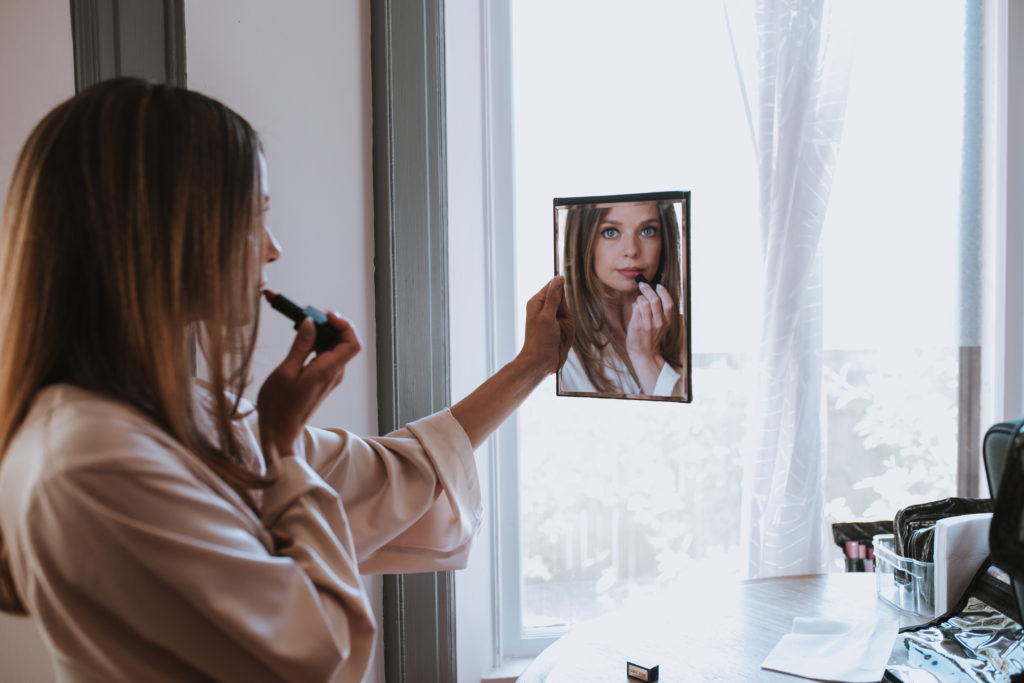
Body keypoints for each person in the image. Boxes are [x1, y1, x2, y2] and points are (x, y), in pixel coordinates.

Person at [0, 78, 572, 682]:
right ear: (156, 231)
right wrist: (281, 450)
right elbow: (319, 655)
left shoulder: (184, 412)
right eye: (252, 217)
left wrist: (530, 364)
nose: (272, 250)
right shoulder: (93, 463)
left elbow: (389, 477)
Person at [559, 199, 686, 398]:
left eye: (648, 231)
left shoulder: (685, 333)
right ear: (583, 241)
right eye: (610, 232)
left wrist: (647, 359)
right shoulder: (559, 348)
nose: (631, 250)